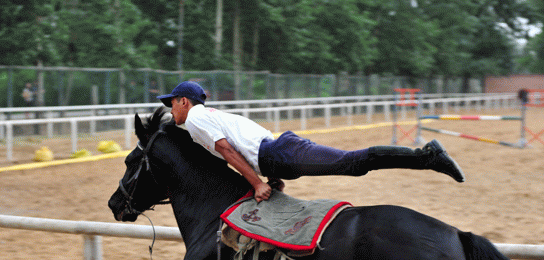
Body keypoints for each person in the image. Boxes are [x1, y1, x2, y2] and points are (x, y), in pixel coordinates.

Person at [158, 81, 465, 203]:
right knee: (352, 164)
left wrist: (257, 184)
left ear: (184, 101)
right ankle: (425, 156)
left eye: (171, 103)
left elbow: (228, 150)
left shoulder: (196, 118)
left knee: (353, 163)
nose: (170, 109)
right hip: (277, 155)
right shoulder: (207, 115)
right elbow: (247, 142)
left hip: (280, 154)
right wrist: (269, 176)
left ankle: (426, 156)